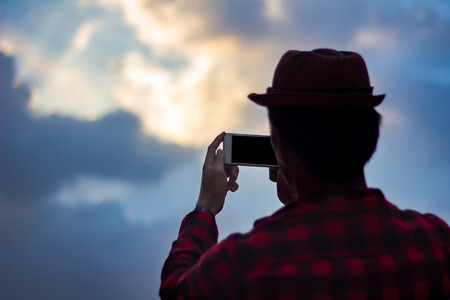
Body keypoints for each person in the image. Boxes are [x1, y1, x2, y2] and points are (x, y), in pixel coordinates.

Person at [160, 49, 450, 299]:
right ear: (372, 138)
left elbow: (177, 291)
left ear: (279, 145)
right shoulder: (437, 243)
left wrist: (205, 209)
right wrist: (297, 193)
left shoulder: (244, 263)